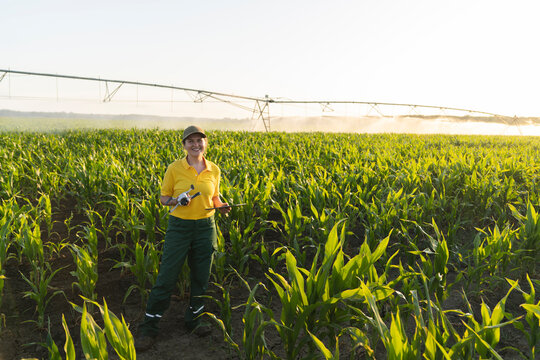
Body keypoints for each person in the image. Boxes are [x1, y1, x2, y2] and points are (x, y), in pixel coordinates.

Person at [136, 125, 231, 351]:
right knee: (167, 276)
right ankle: (149, 328)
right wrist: (177, 199)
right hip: (179, 227)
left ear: (205, 143)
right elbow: (163, 198)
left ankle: (194, 321)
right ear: (184, 145)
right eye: (191, 141)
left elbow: (214, 196)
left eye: (200, 141)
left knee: (201, 277)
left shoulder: (214, 170)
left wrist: (222, 206)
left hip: (206, 227)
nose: (196, 145)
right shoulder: (174, 168)